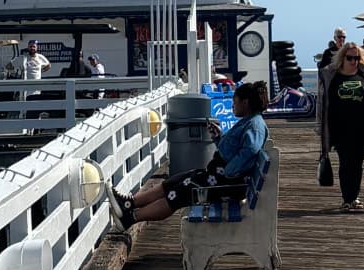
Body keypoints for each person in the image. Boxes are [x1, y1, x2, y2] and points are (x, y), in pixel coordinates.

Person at [113, 80, 270, 231]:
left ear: (246, 102)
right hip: (217, 178)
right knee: (174, 182)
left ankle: (131, 218)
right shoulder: (250, 121)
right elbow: (234, 150)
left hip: (226, 184)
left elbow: (250, 150)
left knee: (178, 194)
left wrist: (229, 170)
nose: (232, 106)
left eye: (235, 102)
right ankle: (129, 203)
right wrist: (218, 137)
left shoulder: (255, 125)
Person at [316, 40, 364, 211]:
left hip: (361, 129)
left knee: (357, 164)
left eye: (356, 58)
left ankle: (355, 197)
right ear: (342, 58)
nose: (353, 62)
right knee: (345, 163)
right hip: (340, 129)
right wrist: (321, 127)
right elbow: (323, 105)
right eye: (350, 58)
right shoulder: (332, 77)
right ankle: (347, 198)